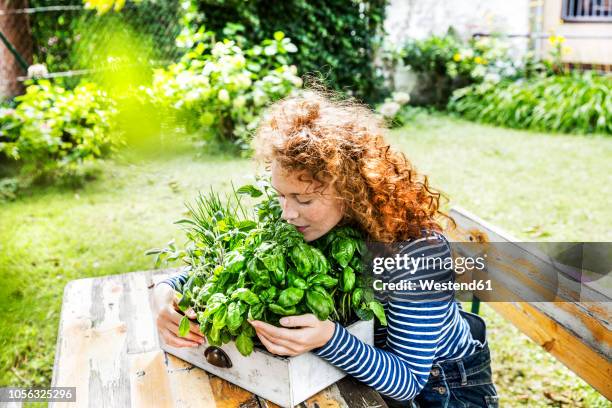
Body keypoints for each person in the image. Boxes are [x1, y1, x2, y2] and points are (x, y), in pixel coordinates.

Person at [152, 90, 499, 407]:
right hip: (357, 377)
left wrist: (327, 338)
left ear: (350, 190)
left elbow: (408, 382)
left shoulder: (417, 252)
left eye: (303, 198)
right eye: (280, 195)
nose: (286, 213)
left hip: (444, 390)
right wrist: (167, 291)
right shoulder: (298, 218)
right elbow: (232, 264)